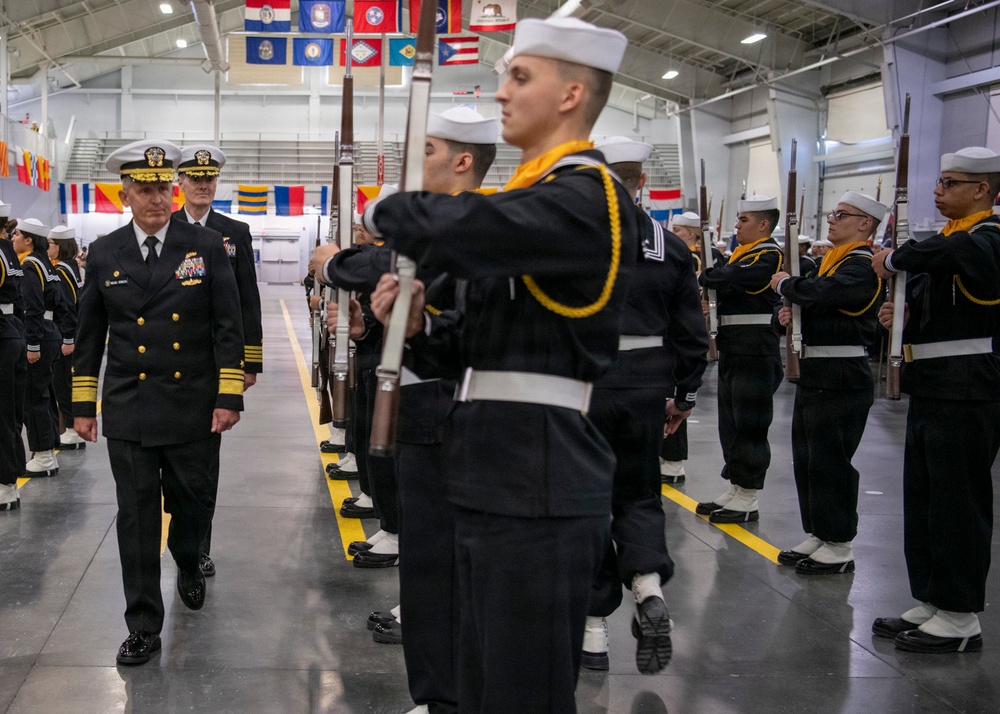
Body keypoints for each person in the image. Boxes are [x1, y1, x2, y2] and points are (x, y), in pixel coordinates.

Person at [314, 16, 634, 712]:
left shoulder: (589, 196)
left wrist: (394, 204)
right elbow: (471, 348)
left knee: (521, 689)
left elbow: (466, 226)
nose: (502, 93)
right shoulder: (532, 197)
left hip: (540, 475)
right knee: (480, 677)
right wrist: (422, 322)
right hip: (491, 465)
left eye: (520, 77)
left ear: (572, 94)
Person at [72, 140, 245, 665]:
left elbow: (227, 325)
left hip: (193, 403)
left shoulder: (207, 245)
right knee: (137, 517)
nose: (157, 199)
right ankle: (144, 624)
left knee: (192, 505)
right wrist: (83, 406)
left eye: (163, 189)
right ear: (124, 194)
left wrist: (229, 393)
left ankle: (189, 560)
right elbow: (88, 335)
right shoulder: (105, 252)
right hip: (130, 406)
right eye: (144, 190)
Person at [581, 136, 707, 674]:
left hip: (582, 385)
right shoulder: (673, 247)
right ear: (641, 184)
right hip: (643, 390)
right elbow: (692, 333)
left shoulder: (573, 237)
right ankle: (649, 585)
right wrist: (682, 395)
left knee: (585, 503)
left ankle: (592, 635)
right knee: (637, 492)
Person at [870, 146, 1000, 654]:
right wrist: (899, 322)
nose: (937, 190)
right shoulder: (953, 239)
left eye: (949, 183)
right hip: (935, 385)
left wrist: (895, 256)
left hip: (969, 387)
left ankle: (961, 613)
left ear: (982, 190)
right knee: (924, 498)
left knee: (958, 502)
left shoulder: (986, 238)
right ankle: (932, 597)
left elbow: (941, 256)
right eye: (939, 181)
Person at [769, 192, 885, 574]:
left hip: (842, 374)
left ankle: (839, 542)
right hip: (815, 373)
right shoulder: (828, 263)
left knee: (831, 460)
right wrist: (790, 314)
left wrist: (789, 286)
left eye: (841, 215)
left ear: (865, 224)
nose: (831, 220)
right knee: (808, 459)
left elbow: (831, 295)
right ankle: (819, 531)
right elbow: (813, 300)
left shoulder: (862, 264)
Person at [696, 195, 783, 523]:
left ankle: (749, 494)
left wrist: (714, 275)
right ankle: (736, 485)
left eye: (744, 219)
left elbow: (730, 278)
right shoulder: (742, 255)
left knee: (750, 423)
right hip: (735, 346)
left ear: (763, 224)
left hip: (755, 348)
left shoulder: (769, 254)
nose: (737, 224)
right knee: (730, 422)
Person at [15, 219, 74, 477]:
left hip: (39, 335)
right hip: (51, 333)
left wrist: (32, 343)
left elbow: (33, 308)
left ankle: (42, 455)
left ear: (29, 240)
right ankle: (49, 449)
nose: (13, 238)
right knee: (46, 394)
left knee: (33, 397)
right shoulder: (47, 266)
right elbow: (61, 304)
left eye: (17, 234)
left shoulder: (30, 267)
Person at [47, 225, 86, 450]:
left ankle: (72, 429)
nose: (47, 248)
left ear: (59, 247)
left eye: (50, 244)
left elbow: (68, 306)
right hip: (73, 331)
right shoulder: (71, 267)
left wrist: (67, 339)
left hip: (66, 334)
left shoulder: (61, 271)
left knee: (63, 383)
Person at [0, 201, 25, 511]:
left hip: (3, 334)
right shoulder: (8, 250)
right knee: (10, 412)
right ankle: (10, 475)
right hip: (12, 331)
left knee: (3, 414)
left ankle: (5, 484)